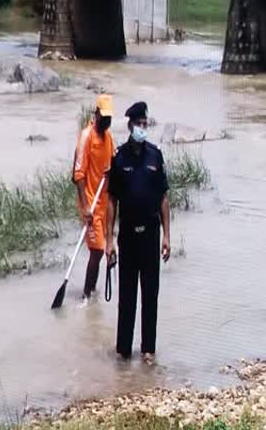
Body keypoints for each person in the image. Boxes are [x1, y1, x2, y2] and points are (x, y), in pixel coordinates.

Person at [105, 102, 170, 366]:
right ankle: (123, 351)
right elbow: (112, 202)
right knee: (127, 296)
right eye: (139, 124)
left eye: (146, 124)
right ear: (130, 126)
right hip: (128, 236)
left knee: (150, 294)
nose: (143, 128)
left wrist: (167, 236)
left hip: (151, 234)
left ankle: (148, 350)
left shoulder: (155, 156)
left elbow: (164, 198)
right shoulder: (119, 159)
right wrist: (109, 240)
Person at [72, 94, 116, 302]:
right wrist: (86, 206)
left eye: (110, 117)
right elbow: (78, 174)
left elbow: (114, 159)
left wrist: (112, 169)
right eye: (104, 116)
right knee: (97, 250)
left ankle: (93, 293)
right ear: (96, 113)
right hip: (89, 202)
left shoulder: (108, 137)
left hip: (105, 203)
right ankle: (87, 295)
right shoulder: (86, 136)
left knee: (103, 250)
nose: (107, 121)